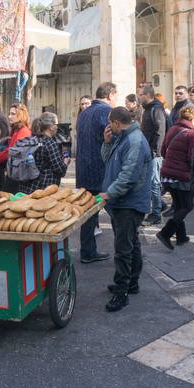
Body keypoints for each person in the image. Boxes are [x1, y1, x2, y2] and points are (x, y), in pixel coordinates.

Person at [101, 107, 152, 311]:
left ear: (115, 122)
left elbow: (128, 176)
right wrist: (106, 144)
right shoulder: (122, 137)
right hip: (122, 202)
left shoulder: (134, 141)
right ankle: (132, 282)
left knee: (123, 248)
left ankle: (122, 293)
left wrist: (108, 193)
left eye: (109, 123)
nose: (108, 126)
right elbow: (109, 162)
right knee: (132, 243)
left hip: (129, 202)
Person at [76, 82, 117, 264]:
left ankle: (87, 252)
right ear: (110, 95)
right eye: (115, 96)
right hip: (100, 169)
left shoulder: (84, 113)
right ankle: (126, 250)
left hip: (83, 170)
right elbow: (112, 137)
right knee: (117, 210)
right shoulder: (105, 112)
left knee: (88, 213)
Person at [156, 106, 194, 250]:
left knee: (179, 205)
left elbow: (163, 150)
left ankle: (181, 236)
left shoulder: (173, 129)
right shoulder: (192, 134)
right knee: (188, 205)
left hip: (168, 173)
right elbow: (191, 158)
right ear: (193, 119)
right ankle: (166, 233)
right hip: (182, 175)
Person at [18, 112, 68, 195]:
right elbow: (60, 170)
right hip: (42, 190)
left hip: (27, 187)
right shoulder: (50, 143)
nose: (57, 127)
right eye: (56, 124)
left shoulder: (33, 139)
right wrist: (66, 162)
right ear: (51, 127)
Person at [138, 85, 167, 226]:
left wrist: (155, 151)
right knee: (150, 183)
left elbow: (160, 132)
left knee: (155, 184)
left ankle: (156, 214)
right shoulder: (148, 109)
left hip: (154, 154)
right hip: (148, 152)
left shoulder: (156, 109)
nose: (139, 97)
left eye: (141, 94)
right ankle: (159, 206)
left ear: (148, 95)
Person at [0, 102, 32, 192]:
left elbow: (10, 151)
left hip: (18, 175)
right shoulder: (16, 129)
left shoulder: (23, 131)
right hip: (14, 172)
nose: (9, 116)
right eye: (9, 113)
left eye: (13, 114)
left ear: (21, 115)